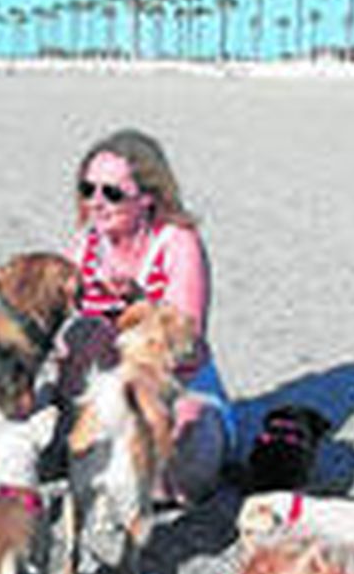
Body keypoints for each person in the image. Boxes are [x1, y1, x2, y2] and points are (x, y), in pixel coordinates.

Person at [63, 127, 234, 505]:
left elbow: (184, 348)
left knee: (179, 476)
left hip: (176, 389)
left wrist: (136, 309)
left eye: (112, 192)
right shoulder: (87, 245)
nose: (96, 202)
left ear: (148, 197)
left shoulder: (178, 243)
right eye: (87, 189)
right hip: (106, 392)